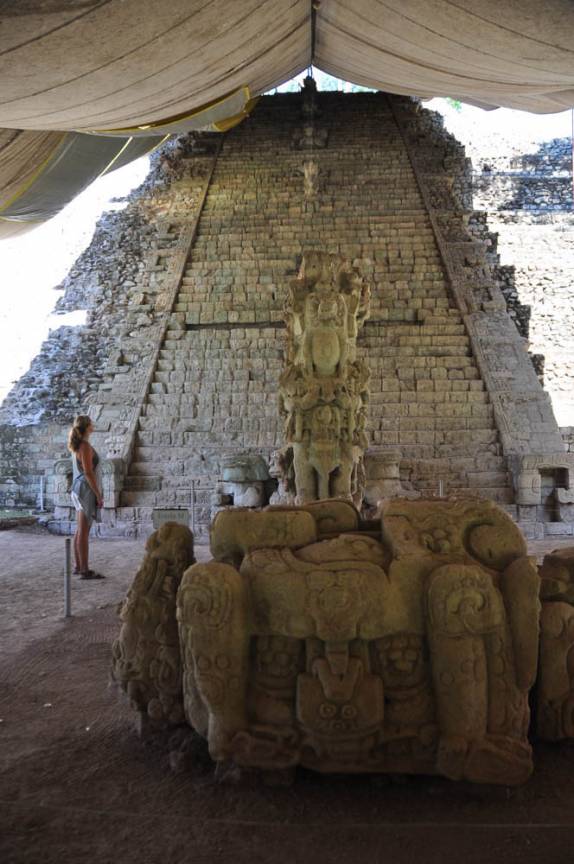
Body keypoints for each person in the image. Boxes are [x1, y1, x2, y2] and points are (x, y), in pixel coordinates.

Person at [67, 415, 104, 579]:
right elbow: (88, 472)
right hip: (85, 489)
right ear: (87, 427)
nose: (93, 426)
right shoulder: (85, 446)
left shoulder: (78, 445)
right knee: (84, 531)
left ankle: (78, 566)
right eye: (91, 424)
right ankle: (84, 570)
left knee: (80, 530)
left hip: (78, 488)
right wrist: (98, 494)